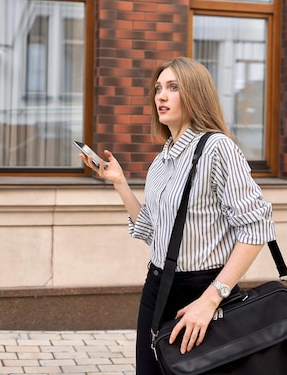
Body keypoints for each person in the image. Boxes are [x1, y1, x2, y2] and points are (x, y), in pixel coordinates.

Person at [79, 57, 276, 375]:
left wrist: (211, 299)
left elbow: (256, 228)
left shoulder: (217, 149)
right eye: (158, 88)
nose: (161, 96)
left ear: (195, 94)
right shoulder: (161, 162)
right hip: (156, 287)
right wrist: (119, 182)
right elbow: (151, 232)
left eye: (173, 87)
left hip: (202, 290)